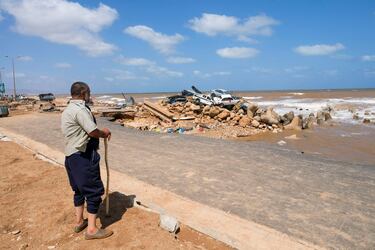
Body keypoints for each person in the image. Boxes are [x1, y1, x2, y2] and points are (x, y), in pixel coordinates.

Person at [61, 81, 113, 240]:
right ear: (84, 93)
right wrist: (104, 132)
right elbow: (92, 132)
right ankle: (91, 230)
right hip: (83, 157)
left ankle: (79, 222)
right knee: (93, 191)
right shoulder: (80, 110)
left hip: (71, 156)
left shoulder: (67, 109)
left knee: (78, 190)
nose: (89, 96)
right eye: (88, 93)